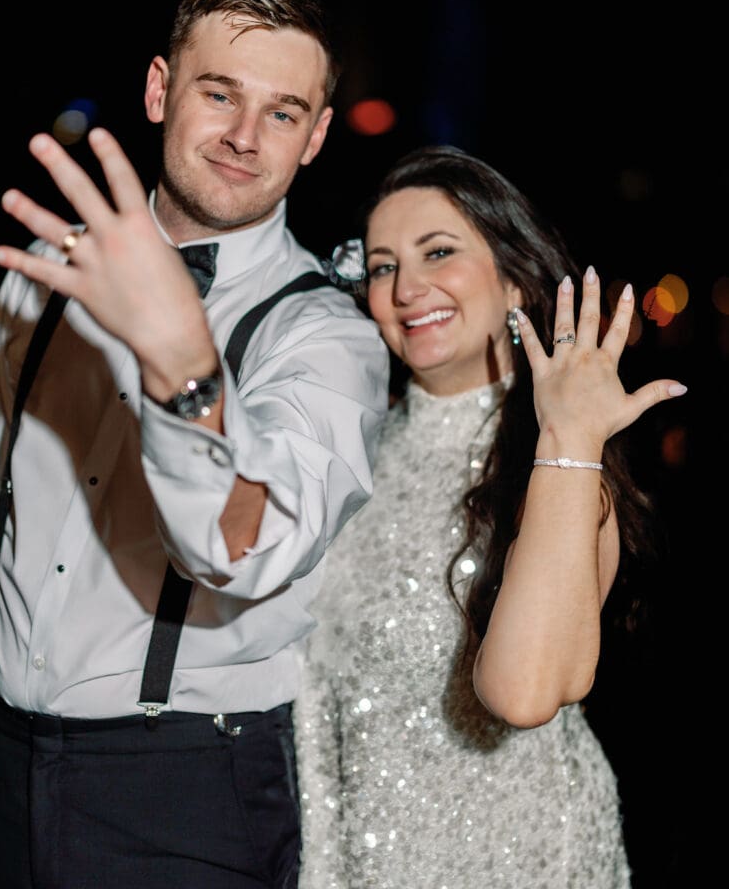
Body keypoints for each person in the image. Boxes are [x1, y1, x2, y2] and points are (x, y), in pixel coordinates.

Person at [0, 0, 390, 889]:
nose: (246, 138)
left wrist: (183, 362)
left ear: (317, 136)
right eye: (219, 94)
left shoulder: (325, 336)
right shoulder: (52, 269)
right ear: (159, 89)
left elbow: (246, 554)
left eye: (283, 113)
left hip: (185, 795)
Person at [293, 145, 687, 888]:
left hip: (517, 860)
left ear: (511, 280)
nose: (406, 286)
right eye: (381, 266)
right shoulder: (349, 453)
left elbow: (522, 690)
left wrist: (569, 440)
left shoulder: (561, 467)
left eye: (437, 252)